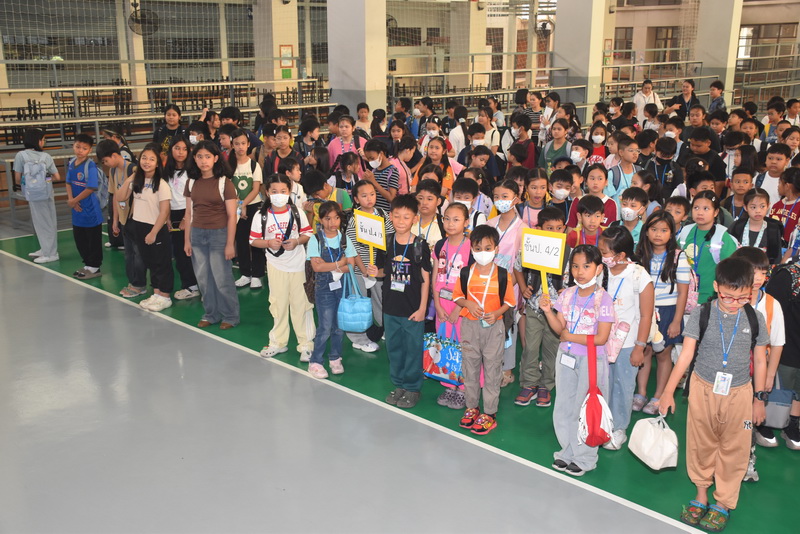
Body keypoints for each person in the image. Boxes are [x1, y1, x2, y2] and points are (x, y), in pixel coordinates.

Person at [659, 258, 768, 532]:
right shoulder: (702, 313)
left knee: (736, 447)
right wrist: (668, 392)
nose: (734, 303)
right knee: (700, 442)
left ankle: (724, 502)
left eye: (742, 298)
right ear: (717, 287)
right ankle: (701, 495)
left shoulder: (755, 318)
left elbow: (761, 360)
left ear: (751, 291)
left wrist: (759, 399)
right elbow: (686, 355)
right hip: (702, 388)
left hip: (740, 393)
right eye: (727, 296)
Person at [540, 245, 614, 476]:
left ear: (598, 269)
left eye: (586, 266)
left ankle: (585, 458)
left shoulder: (603, 299)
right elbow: (559, 328)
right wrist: (547, 311)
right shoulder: (567, 294)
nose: (580, 272)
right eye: (575, 266)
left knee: (586, 408)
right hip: (566, 356)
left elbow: (601, 338)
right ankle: (567, 451)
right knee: (563, 405)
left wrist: (570, 336)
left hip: (591, 361)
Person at [453, 225, 515, 435]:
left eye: (488, 248)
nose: (482, 253)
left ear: (496, 249)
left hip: (494, 328)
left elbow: (509, 302)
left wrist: (497, 313)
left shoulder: (503, 275)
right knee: (469, 368)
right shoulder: (466, 273)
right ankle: (472, 407)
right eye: (478, 248)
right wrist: (467, 304)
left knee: (492, 370)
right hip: (470, 327)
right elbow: (457, 296)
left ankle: (489, 412)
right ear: (471, 249)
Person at [597, 226, 655, 450]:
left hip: (627, 344)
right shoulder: (599, 271)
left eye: (604, 252)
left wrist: (639, 347)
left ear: (621, 255)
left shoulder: (639, 275)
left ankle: (618, 428)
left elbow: (646, 315)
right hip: (600, 340)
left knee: (622, 385)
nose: (600, 255)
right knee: (601, 383)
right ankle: (599, 423)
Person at [730, 247, 785, 477]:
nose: (759, 277)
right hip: (730, 371)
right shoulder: (728, 302)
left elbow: (778, 343)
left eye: (763, 272)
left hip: (756, 376)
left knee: (748, 420)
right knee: (726, 418)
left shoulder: (772, 305)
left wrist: (770, 375)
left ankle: (746, 459)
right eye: (753, 272)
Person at [250, 173, 316, 358]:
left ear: (289, 191)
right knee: (278, 304)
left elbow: (307, 233)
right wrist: (268, 243)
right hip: (275, 265)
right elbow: (253, 240)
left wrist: (296, 241)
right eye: (274, 191)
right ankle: (278, 342)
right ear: (267, 192)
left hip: (298, 265)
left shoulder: (297, 212)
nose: (278, 195)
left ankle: (306, 344)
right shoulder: (261, 216)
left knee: (301, 305)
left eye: (283, 191)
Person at [634, 211, 689, 415]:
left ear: (671, 233)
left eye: (664, 230)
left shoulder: (679, 257)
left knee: (664, 353)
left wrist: (676, 320)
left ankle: (658, 396)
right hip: (643, 309)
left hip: (667, 310)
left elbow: (683, 292)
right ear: (646, 231)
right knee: (645, 350)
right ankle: (641, 393)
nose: (658, 234)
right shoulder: (640, 254)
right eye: (654, 229)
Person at [183, 140, 240, 330]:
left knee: (222, 278)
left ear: (216, 158)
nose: (203, 160)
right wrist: (187, 240)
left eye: (207, 156)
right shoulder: (191, 182)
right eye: (199, 156)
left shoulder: (225, 183)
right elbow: (189, 213)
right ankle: (211, 314)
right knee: (203, 279)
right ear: (194, 159)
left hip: (219, 235)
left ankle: (230, 316)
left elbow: (232, 216)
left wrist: (230, 243)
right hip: (197, 235)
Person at [516, 207, 569, 408]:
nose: (554, 232)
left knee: (551, 348)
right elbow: (517, 267)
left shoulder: (570, 252)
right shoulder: (530, 248)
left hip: (557, 312)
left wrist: (568, 290)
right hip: (534, 307)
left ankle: (546, 385)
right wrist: (523, 287)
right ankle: (529, 383)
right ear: (539, 229)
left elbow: (578, 279)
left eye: (558, 228)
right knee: (530, 347)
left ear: (564, 229)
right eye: (549, 228)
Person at [383, 194, 432, 409]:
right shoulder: (387, 241)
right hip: (390, 307)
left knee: (413, 349)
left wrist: (423, 308)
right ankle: (399, 384)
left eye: (406, 217)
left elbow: (426, 279)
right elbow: (384, 272)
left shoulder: (420, 245)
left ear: (415, 218)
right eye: (396, 216)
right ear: (390, 216)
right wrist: (374, 271)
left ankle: (412, 387)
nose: (400, 221)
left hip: (413, 309)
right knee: (394, 348)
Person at [306, 201, 360, 379]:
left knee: (339, 326)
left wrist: (331, 266)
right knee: (325, 326)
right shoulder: (315, 240)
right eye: (327, 218)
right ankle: (315, 361)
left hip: (342, 288)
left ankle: (335, 357)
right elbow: (316, 267)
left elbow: (351, 266)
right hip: (324, 289)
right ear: (320, 220)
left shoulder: (344, 239)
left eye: (336, 218)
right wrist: (340, 263)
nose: (332, 222)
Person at [116, 144, 174, 312]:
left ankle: (165, 296)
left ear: (157, 163)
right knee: (150, 262)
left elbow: (164, 211)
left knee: (161, 263)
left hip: (155, 228)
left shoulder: (162, 184)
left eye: (151, 159)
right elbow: (120, 197)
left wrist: (154, 232)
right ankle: (156, 294)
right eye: (144, 158)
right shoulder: (137, 181)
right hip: (139, 226)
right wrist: (130, 179)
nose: (147, 162)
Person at [431, 203, 473, 409]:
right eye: (447, 218)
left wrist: (459, 308)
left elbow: (472, 282)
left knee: (463, 346)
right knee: (446, 344)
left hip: (461, 307)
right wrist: (437, 305)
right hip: (442, 306)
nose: (450, 223)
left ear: (466, 222)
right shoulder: (440, 245)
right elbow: (435, 277)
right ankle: (449, 384)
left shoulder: (471, 247)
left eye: (456, 219)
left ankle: (464, 387)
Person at [487, 179, 528, 386]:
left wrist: (511, 287)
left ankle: (507, 370)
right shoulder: (489, 225)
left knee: (508, 328)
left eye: (505, 196)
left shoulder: (523, 228)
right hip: (488, 285)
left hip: (510, 287)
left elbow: (522, 264)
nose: (500, 200)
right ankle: (491, 366)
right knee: (490, 328)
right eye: (496, 197)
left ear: (516, 199)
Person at [346, 180, 394, 352]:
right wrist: (364, 270)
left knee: (381, 301)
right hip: (360, 270)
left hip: (379, 270)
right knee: (359, 304)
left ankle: (384, 329)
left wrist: (380, 269)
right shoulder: (354, 219)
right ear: (356, 199)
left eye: (372, 194)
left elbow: (391, 238)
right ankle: (358, 339)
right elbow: (353, 248)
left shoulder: (382, 214)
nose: (369, 198)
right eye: (364, 196)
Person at [97, 139, 146, 298]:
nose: (105, 164)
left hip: (136, 218)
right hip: (124, 220)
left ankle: (140, 284)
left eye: (106, 161)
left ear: (114, 155)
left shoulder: (133, 169)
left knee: (139, 254)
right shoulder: (112, 172)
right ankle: (132, 282)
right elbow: (115, 197)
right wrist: (115, 220)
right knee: (128, 254)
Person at [678, 191, 739, 303]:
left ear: (715, 212)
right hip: (683, 296)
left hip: (711, 299)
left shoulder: (722, 236)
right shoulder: (686, 231)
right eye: (696, 208)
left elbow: (730, 271)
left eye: (706, 209)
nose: (700, 212)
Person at [765, 259, 800, 451]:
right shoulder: (787, 275)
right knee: (779, 386)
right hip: (785, 345)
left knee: (797, 389)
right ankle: (763, 422)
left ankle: (792, 423)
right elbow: (771, 316)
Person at [15, 128, 61, 264]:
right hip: (46, 193)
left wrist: (30, 183)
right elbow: (57, 177)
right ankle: (46, 249)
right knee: (48, 222)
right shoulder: (46, 157)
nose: (44, 142)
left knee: (40, 222)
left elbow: (17, 178)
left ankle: (51, 253)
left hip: (32, 193)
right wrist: (44, 181)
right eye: (43, 139)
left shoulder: (20, 155)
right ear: (38, 141)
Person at [229, 128, 265, 289]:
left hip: (253, 206)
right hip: (235, 208)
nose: (240, 147)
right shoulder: (229, 166)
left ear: (248, 144)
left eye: (243, 143)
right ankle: (245, 273)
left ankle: (257, 275)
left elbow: (256, 189)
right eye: (237, 144)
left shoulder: (254, 165)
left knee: (255, 241)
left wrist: (243, 205)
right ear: (232, 145)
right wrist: (238, 205)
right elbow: (228, 188)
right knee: (241, 241)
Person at [163, 136, 199, 300]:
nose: (180, 152)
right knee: (179, 252)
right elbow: (166, 196)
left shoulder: (192, 171)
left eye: (184, 149)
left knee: (190, 251)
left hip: (189, 212)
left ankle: (195, 286)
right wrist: (167, 217)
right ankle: (189, 284)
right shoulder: (167, 171)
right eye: (177, 148)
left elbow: (194, 196)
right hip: (173, 213)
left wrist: (186, 218)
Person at [67, 133, 104, 280]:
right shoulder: (71, 163)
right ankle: (88, 265)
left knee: (93, 240)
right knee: (80, 239)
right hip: (77, 210)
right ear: (73, 146)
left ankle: (95, 267)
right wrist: (71, 200)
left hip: (90, 210)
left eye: (84, 148)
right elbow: (68, 183)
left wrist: (74, 200)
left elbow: (90, 188)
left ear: (90, 150)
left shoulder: (90, 166)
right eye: (78, 147)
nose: (80, 150)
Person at [730, 188, 784, 265]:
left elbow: (776, 259)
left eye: (762, 206)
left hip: (763, 271)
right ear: (745, 207)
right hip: (739, 269)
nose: (758, 211)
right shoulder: (736, 226)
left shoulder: (773, 230)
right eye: (753, 207)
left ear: (768, 206)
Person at [567, 164, 618, 231]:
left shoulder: (611, 203)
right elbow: (571, 227)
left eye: (600, 179)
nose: (595, 182)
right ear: (586, 181)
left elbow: (613, 230)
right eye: (592, 178)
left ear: (606, 182)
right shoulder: (578, 201)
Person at [362, 139, 399, 213]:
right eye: (368, 159)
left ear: (381, 153)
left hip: (386, 214)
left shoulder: (392, 171)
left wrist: (373, 182)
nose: (370, 161)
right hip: (374, 213)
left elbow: (391, 198)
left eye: (372, 158)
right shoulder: (373, 171)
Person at [605, 136, 642, 201]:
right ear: (621, 152)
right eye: (631, 150)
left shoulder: (640, 171)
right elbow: (607, 198)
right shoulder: (612, 173)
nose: (635, 153)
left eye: (637, 150)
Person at [770, 167, 800, 244]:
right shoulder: (777, 205)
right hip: (775, 245)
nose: (778, 186)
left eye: (780, 183)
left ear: (787, 186)